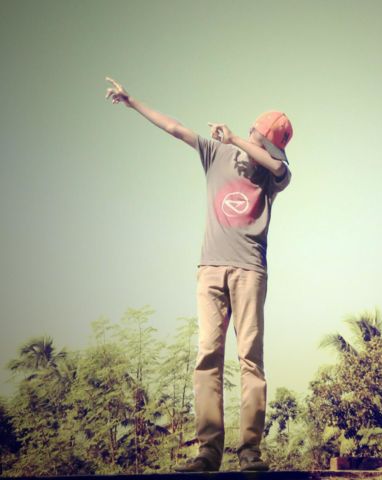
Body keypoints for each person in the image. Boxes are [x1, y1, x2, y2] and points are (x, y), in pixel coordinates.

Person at [104, 77, 293, 472]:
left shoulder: (271, 174)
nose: (266, 153)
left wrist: (239, 139)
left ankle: (250, 452)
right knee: (207, 355)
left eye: (269, 149)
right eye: (264, 144)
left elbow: (279, 167)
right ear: (257, 133)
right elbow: (176, 128)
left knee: (250, 359)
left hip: (250, 271)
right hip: (210, 270)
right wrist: (132, 101)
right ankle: (208, 451)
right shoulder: (214, 153)